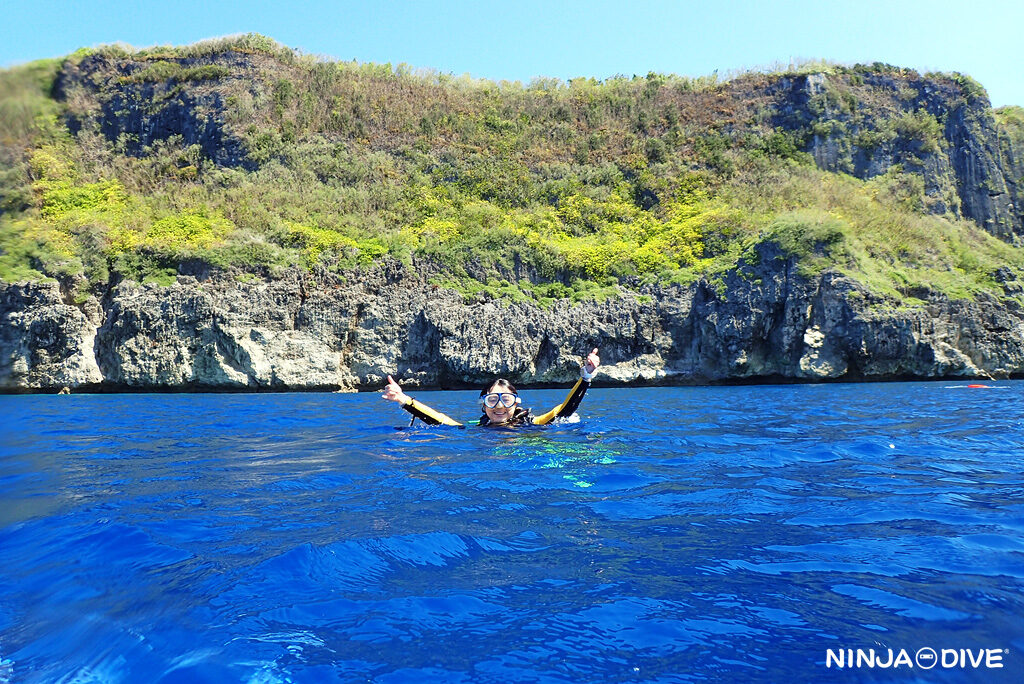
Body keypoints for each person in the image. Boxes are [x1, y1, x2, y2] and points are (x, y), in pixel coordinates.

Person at [382, 348, 601, 427]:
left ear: (516, 404)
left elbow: (563, 411)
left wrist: (586, 377)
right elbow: (441, 420)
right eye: (492, 400)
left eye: (506, 400)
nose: (499, 407)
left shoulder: (532, 424)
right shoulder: (479, 429)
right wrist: (404, 400)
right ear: (484, 406)